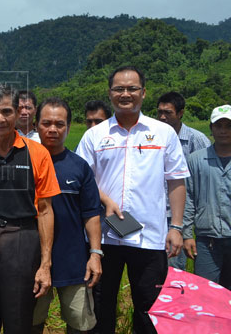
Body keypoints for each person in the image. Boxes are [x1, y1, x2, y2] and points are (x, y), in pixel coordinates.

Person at [76, 66, 189, 334]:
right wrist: (105, 199)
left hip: (150, 237)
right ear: (110, 93)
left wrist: (176, 227)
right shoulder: (95, 135)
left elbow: (176, 181)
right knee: (101, 306)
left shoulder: (163, 133)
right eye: (119, 89)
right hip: (103, 238)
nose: (125, 94)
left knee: (149, 309)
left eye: (132, 88)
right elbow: (82, 179)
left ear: (143, 92)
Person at [0, 84, 59, 334]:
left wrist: (45, 264)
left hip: (22, 239)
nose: (0, 119)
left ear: (18, 113)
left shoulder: (37, 153)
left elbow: (45, 209)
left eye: (7, 111)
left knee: (19, 320)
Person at [32, 97, 102, 334]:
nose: (52, 129)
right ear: (36, 125)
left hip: (74, 261)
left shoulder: (79, 166)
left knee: (80, 324)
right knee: (31, 321)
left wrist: (95, 254)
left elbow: (91, 214)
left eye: (59, 124)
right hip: (32, 261)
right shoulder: (24, 163)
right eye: (46, 123)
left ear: (69, 127)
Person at [157, 91, 211, 270]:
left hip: (182, 216)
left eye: (168, 113)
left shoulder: (197, 140)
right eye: (159, 112)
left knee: (176, 268)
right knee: (156, 267)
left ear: (180, 113)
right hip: (157, 214)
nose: (162, 117)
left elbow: (207, 178)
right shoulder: (155, 138)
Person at [183, 104, 231, 290]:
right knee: (206, 294)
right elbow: (188, 199)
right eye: (218, 126)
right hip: (207, 241)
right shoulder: (196, 159)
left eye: (228, 126)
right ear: (211, 128)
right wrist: (187, 234)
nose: (223, 131)